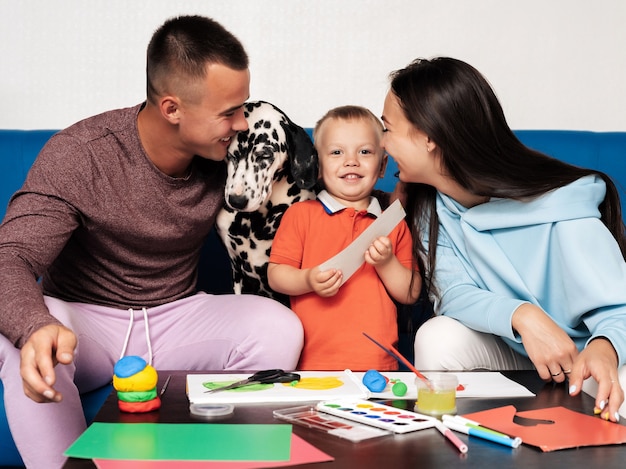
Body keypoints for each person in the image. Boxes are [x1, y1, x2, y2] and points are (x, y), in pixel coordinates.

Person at [0, 16, 303, 468]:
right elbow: (11, 256)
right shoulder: (82, 154)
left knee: (278, 325)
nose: (241, 123)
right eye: (227, 112)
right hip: (86, 324)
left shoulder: (233, 154)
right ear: (172, 108)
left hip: (177, 317)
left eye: (242, 107)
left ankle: (228, 459)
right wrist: (33, 326)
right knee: (25, 336)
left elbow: (315, 188)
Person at [380, 56, 626, 422]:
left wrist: (605, 349)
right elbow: (453, 293)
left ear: (429, 137)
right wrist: (524, 317)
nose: (382, 142)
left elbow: (618, 308)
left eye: (388, 129)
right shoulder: (430, 205)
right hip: (515, 345)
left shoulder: (562, 202)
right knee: (438, 337)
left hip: (589, 355)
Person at [268, 105, 421, 371]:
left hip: (376, 363)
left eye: (365, 152)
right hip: (311, 363)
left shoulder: (393, 223)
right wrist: (307, 280)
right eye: (337, 152)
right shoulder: (300, 215)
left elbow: (410, 293)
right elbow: (276, 275)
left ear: (383, 165)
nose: (351, 161)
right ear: (317, 165)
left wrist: (386, 263)